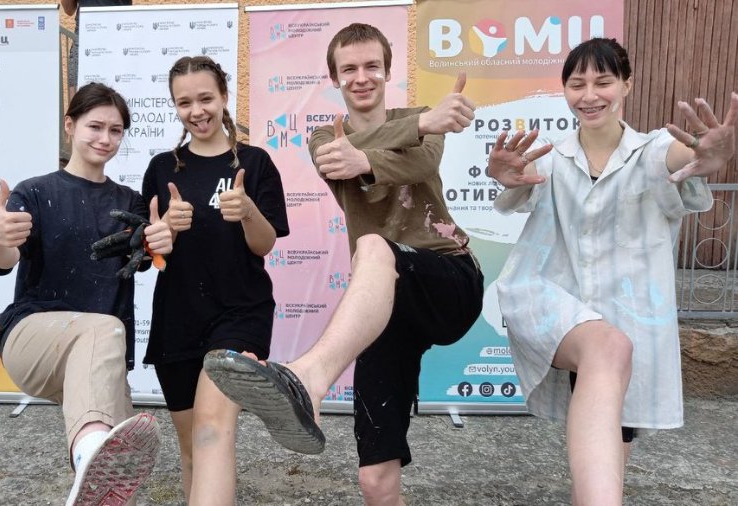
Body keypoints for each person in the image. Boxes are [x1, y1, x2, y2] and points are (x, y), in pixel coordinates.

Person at [203, 23, 484, 505]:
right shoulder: (324, 137)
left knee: (373, 247)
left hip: (448, 276)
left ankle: (307, 379)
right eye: (349, 69)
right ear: (335, 79)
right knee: (374, 478)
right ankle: (309, 388)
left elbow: (420, 164)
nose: (362, 77)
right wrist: (417, 128)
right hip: (382, 309)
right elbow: (337, 160)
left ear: (388, 71)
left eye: (372, 66)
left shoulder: (421, 118)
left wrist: (392, 142)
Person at [485, 38, 737, 505]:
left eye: (602, 81)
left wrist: (705, 156)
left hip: (630, 319)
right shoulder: (551, 159)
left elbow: (679, 157)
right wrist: (503, 177)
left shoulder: (650, 150)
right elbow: (519, 190)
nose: (589, 95)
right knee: (606, 358)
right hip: (556, 308)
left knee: (613, 440)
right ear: (564, 90)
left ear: (626, 85)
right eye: (576, 84)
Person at [0, 82, 173, 506]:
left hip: (99, 356)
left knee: (119, 471)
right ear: (70, 125)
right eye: (95, 126)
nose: (105, 138)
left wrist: (160, 242)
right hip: (32, 338)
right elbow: (5, 257)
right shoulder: (35, 192)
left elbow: (147, 256)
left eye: (116, 130)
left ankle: (90, 456)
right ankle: (87, 450)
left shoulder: (130, 203)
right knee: (103, 334)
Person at [140, 55, 289, 504]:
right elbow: (150, 255)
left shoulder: (256, 163)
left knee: (210, 431)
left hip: (240, 315)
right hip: (178, 320)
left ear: (224, 97)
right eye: (184, 102)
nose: (197, 111)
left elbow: (264, 245)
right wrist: (163, 233)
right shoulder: (162, 168)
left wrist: (248, 211)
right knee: (191, 451)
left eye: (205, 98)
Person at [61, 0, 131, 100]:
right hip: (86, 34)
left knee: (122, 100)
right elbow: (69, 9)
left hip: (119, 34)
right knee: (78, 103)